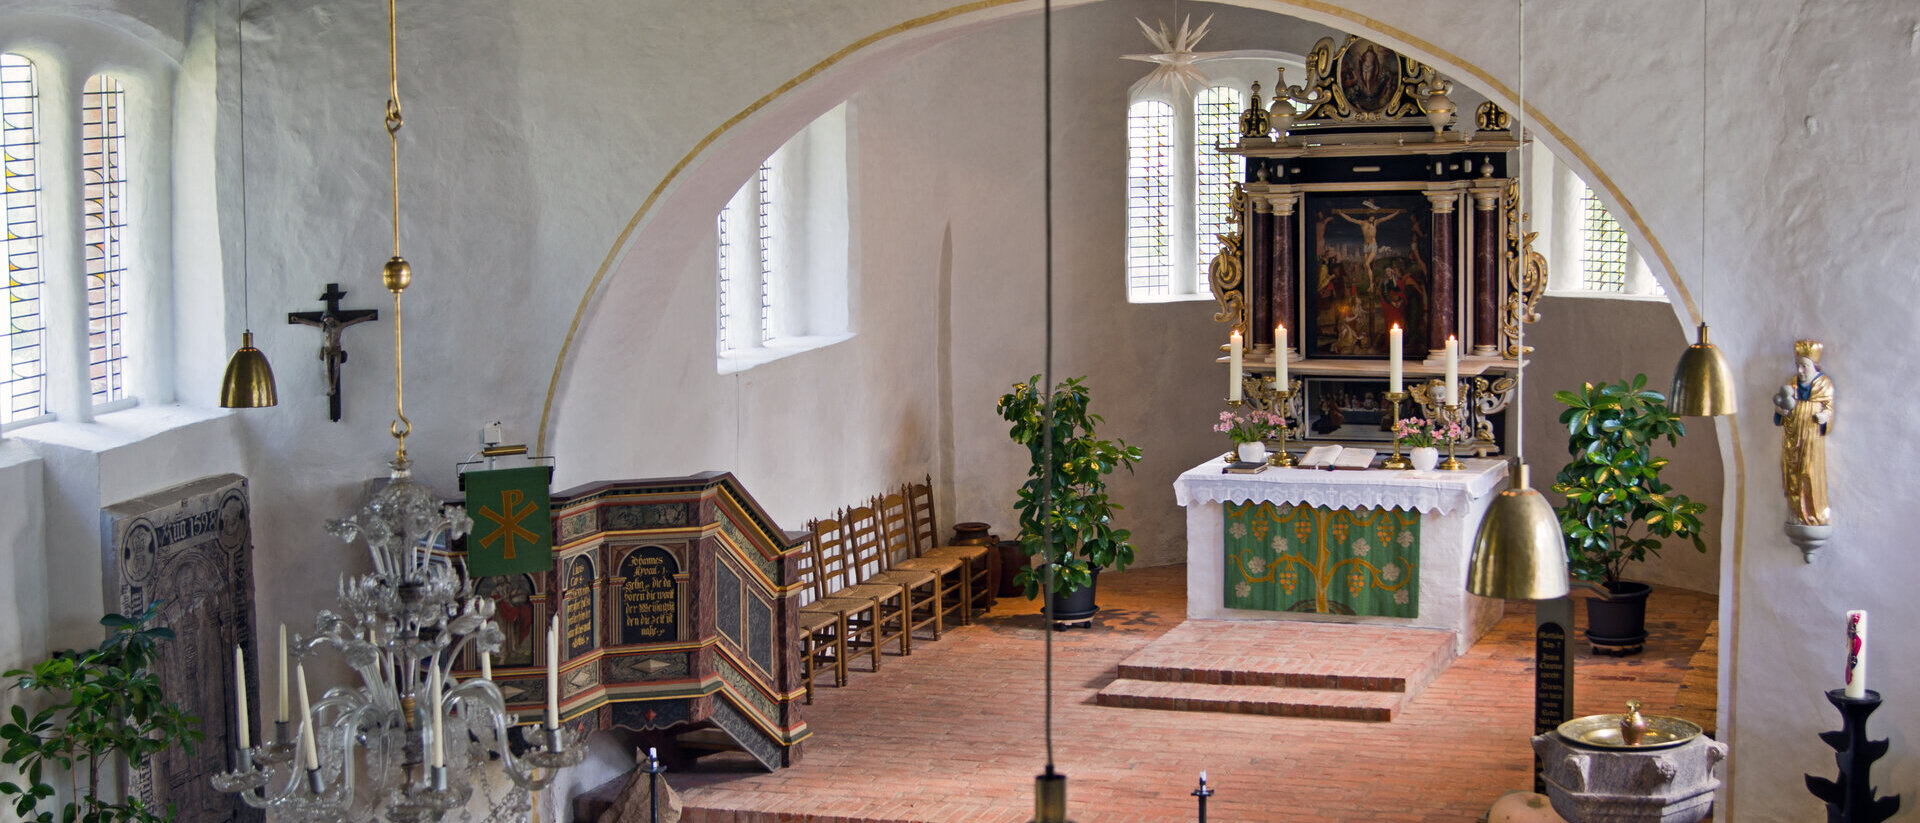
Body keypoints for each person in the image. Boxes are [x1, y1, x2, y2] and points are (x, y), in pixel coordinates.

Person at [1773, 340, 1832, 526]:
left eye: (1804, 366)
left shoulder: (1824, 384)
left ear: (1814, 365)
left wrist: (1825, 415)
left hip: (1811, 438)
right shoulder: (1793, 383)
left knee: (1809, 472)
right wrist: (1781, 412)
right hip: (1792, 436)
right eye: (1798, 365)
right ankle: (1796, 512)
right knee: (1792, 473)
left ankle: (1814, 514)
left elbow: (1829, 408)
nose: (1800, 371)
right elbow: (1783, 405)